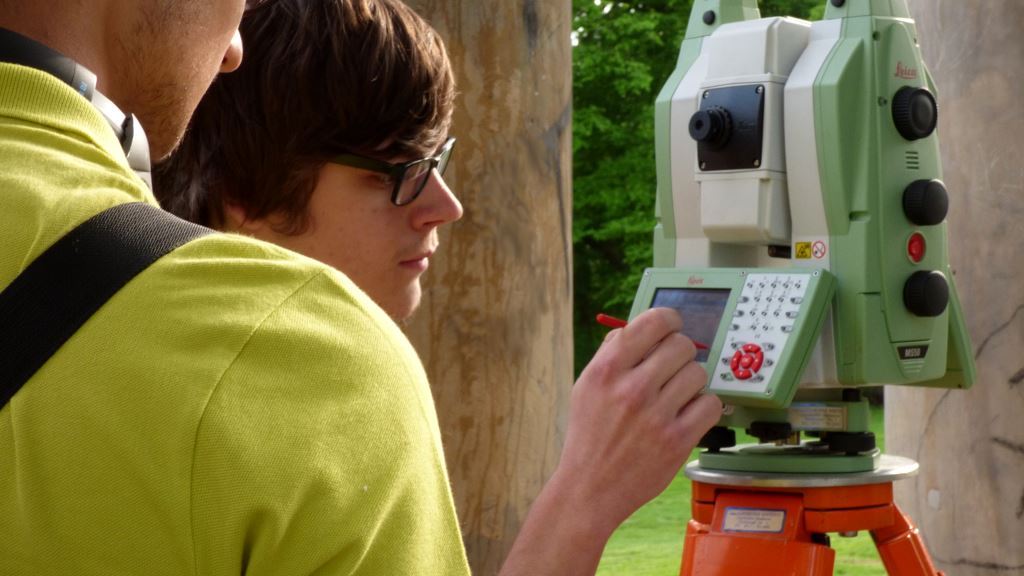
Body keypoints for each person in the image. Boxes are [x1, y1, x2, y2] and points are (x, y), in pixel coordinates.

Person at [0, 2, 718, 576]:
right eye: (397, 169)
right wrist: (584, 499)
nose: (446, 205)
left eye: (440, 159)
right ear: (247, 188)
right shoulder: (310, 361)